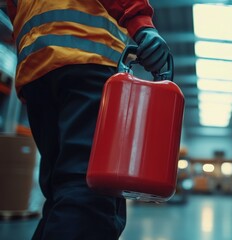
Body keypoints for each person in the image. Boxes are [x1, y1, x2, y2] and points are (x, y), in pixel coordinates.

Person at [5, 0, 170, 239]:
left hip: (36, 72)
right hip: (88, 59)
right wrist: (142, 25)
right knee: (91, 190)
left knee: (61, 192)